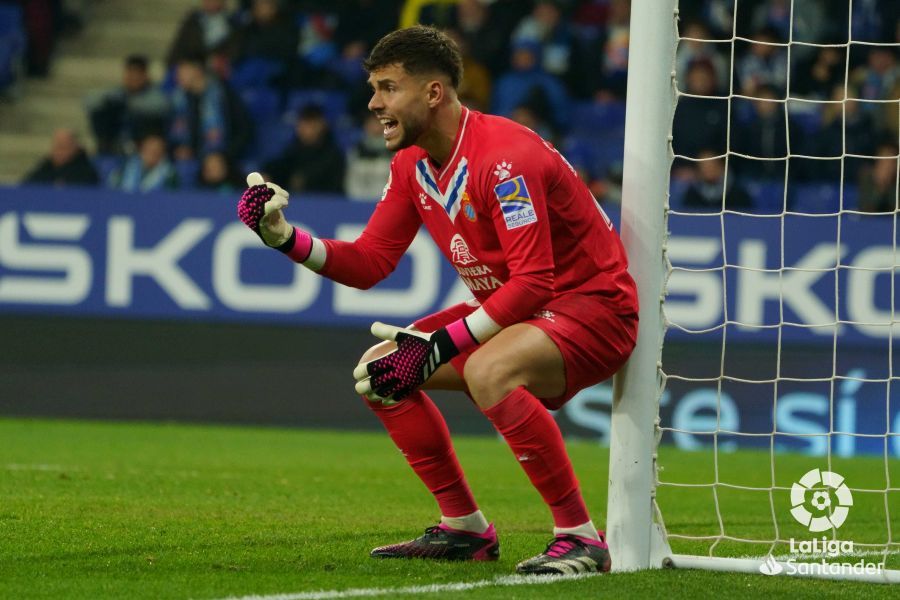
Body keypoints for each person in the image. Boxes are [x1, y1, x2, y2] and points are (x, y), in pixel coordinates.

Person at [237, 26, 638, 575]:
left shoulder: (505, 158)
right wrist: (284, 237)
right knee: (380, 372)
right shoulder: (411, 164)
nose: (374, 103)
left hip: (593, 308)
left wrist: (442, 345)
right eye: (373, 89)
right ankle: (464, 528)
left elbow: (534, 282)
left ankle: (580, 537)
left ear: (432, 92)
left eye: (387, 88)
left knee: (489, 371)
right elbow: (370, 261)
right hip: (521, 311)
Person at [85, 54, 170, 154]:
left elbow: (163, 107)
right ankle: (106, 149)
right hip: (117, 139)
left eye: (136, 74)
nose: (132, 78)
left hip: (141, 143)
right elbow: (90, 101)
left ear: (145, 76)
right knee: (103, 111)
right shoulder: (119, 93)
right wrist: (112, 102)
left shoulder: (154, 94)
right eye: (129, 74)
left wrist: (130, 104)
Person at [22, 128, 99, 187]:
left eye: (63, 147)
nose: (58, 152)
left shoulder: (86, 172)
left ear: (75, 149)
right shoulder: (46, 168)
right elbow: (27, 186)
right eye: (56, 147)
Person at [107, 133, 178, 193]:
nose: (151, 155)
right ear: (141, 150)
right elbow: (112, 188)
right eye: (148, 150)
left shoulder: (170, 176)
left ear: (162, 154)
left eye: (156, 151)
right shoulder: (125, 168)